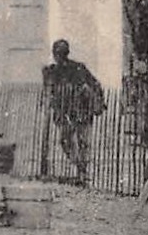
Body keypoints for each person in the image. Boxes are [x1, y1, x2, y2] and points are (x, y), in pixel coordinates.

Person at [43, 39, 105, 180]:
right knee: (66, 142)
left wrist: (94, 101)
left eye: (60, 54)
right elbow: (51, 93)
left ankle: (82, 172)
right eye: (57, 54)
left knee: (82, 143)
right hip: (66, 114)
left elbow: (95, 85)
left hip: (82, 113)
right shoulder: (53, 72)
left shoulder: (78, 69)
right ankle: (80, 166)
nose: (58, 57)